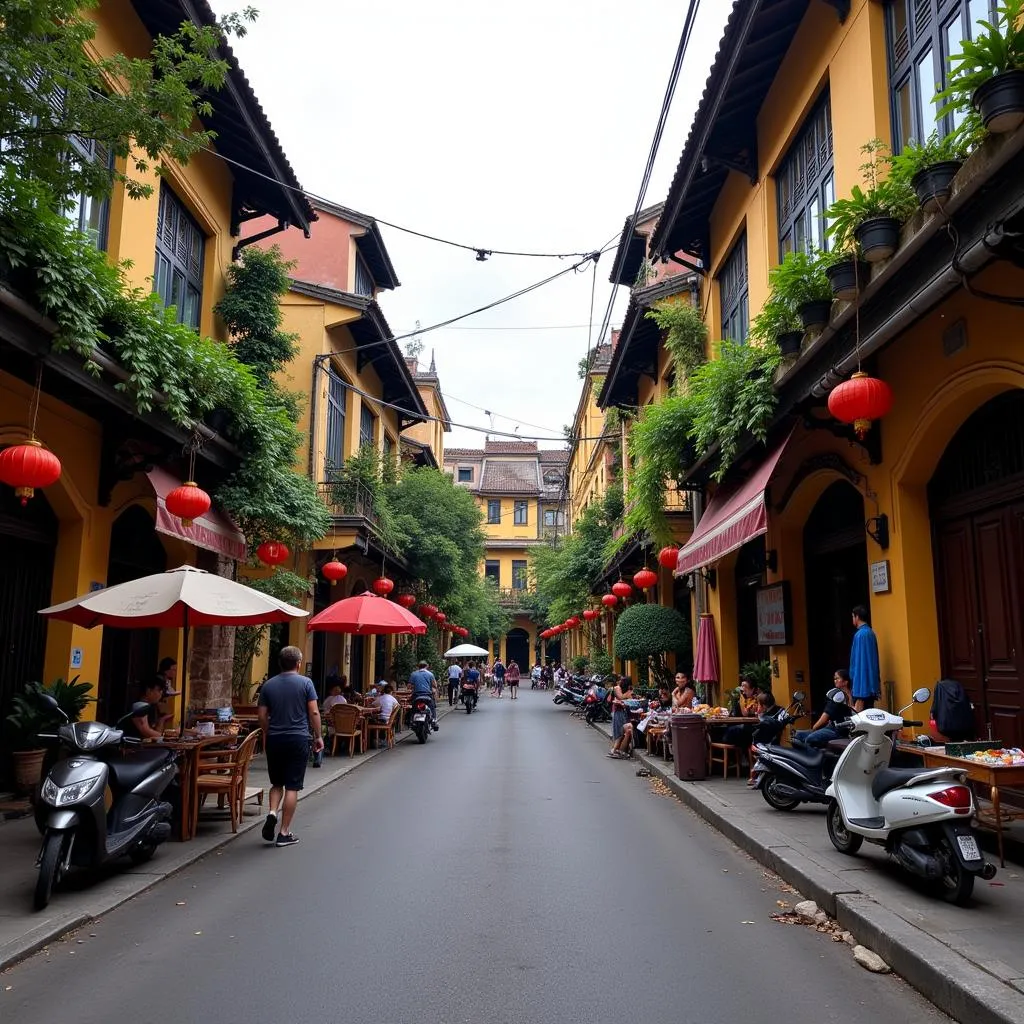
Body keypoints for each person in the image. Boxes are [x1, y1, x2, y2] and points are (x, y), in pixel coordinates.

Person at [257, 646, 322, 847]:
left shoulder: (268, 685)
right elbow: (313, 713)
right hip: (297, 739)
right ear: (298, 663)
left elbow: (261, 716)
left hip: (275, 739)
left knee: (276, 783)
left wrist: (269, 731)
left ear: (280, 663)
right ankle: (284, 833)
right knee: (292, 786)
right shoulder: (306, 683)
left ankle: (271, 812)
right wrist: (318, 736)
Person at [793, 670, 853, 749]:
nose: (835, 681)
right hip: (833, 726)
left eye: (837, 678)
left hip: (837, 730)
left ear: (845, 682)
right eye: (834, 679)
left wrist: (814, 728)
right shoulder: (850, 695)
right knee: (798, 735)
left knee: (810, 739)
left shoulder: (838, 695)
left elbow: (826, 715)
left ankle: (813, 760)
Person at [849, 605, 880, 712]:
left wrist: (858, 687)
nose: (853, 619)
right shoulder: (870, 633)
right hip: (870, 684)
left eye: (853, 616)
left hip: (862, 685)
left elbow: (859, 663)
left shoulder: (860, 635)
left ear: (857, 617)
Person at [607, 676, 634, 758]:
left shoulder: (626, 690)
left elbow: (630, 699)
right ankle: (614, 750)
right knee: (619, 732)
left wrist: (630, 694)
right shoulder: (617, 688)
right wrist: (629, 692)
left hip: (623, 712)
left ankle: (617, 750)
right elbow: (621, 697)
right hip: (618, 712)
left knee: (622, 731)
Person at [409, 660, 439, 730]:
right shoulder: (430, 674)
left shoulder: (413, 674)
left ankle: (411, 720)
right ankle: (434, 720)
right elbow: (434, 685)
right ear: (427, 666)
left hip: (416, 695)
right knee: (432, 707)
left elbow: (409, 686)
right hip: (427, 695)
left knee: (413, 708)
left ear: (418, 667)